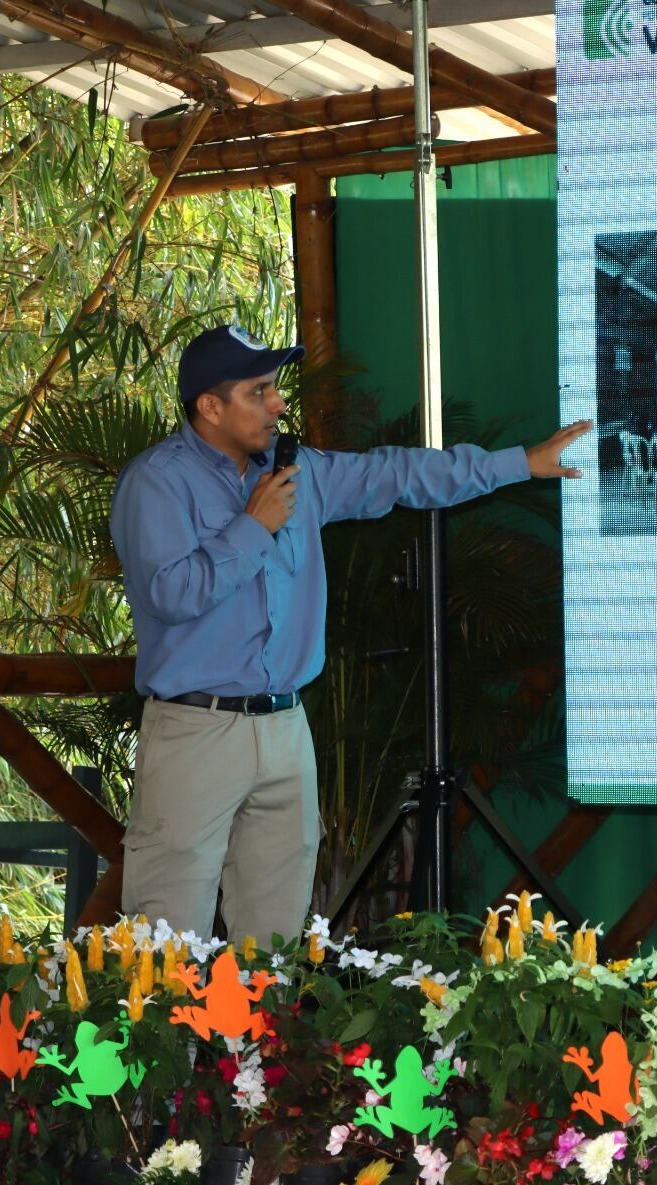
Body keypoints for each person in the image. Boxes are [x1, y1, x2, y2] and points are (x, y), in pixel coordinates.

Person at [110, 324, 591, 946]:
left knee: (275, 937)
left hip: (285, 728)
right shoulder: (157, 482)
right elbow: (172, 595)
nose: (278, 404)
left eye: (275, 388)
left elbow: (396, 476)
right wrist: (253, 527)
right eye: (259, 392)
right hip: (195, 730)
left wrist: (520, 463)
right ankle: (161, 1046)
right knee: (166, 933)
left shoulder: (297, 470)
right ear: (210, 405)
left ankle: (259, 1044)